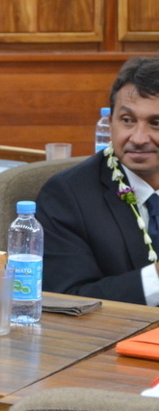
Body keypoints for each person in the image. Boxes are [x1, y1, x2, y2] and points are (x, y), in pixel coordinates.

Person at [37, 56, 159, 305]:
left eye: (156, 123)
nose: (137, 138)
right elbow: (69, 299)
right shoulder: (67, 195)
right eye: (127, 120)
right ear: (111, 121)